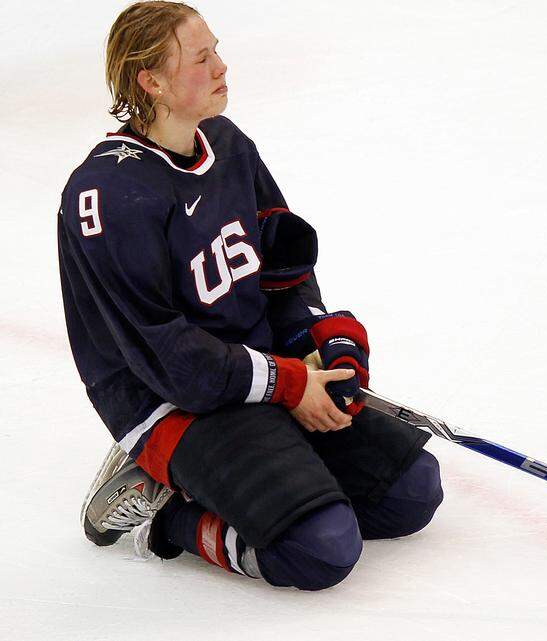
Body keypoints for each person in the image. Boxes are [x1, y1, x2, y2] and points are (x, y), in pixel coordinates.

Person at [59, 1, 442, 591]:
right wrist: (288, 385)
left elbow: (282, 268)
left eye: (217, 49)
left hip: (255, 375)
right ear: (151, 80)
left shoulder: (228, 145)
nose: (222, 66)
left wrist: (322, 342)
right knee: (321, 550)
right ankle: (165, 515)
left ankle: (268, 480)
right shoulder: (107, 193)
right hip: (170, 402)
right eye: (202, 57)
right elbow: (167, 358)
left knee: (411, 492)